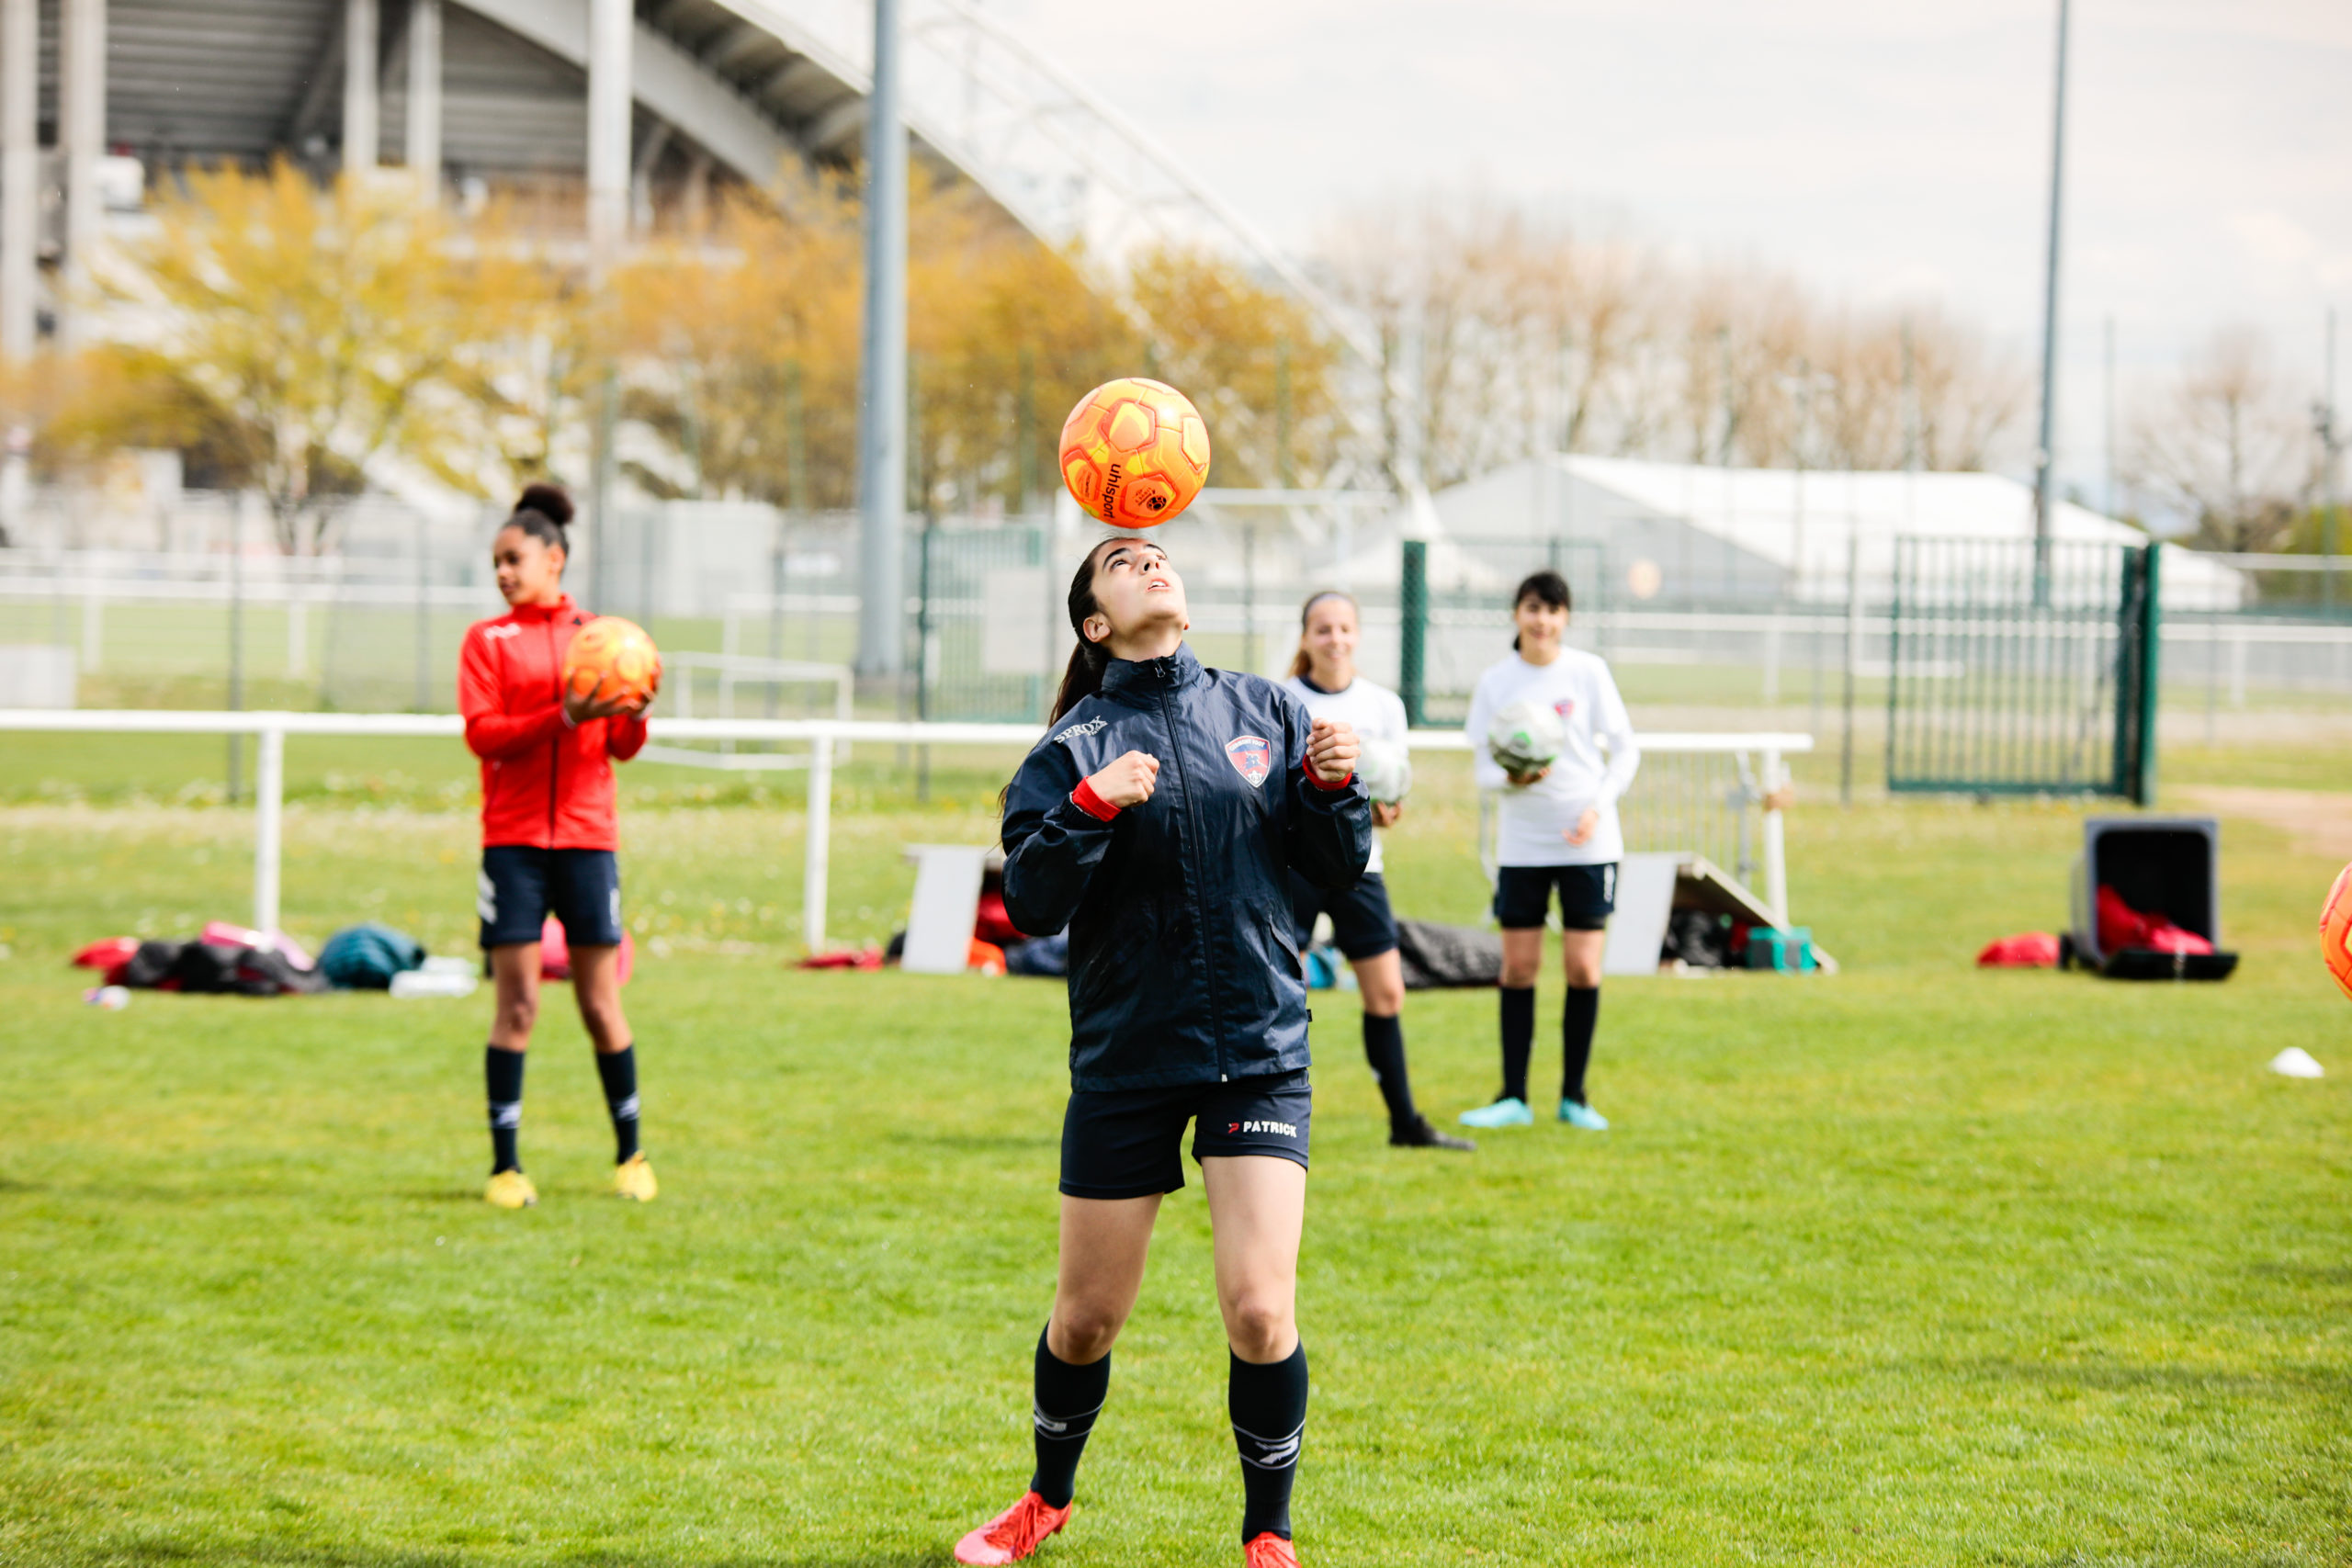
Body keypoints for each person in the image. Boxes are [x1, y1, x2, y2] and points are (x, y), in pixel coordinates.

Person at [956, 536, 1372, 1568]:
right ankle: (1045, 1500)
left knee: (1262, 1309)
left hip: (1259, 1048)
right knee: (1087, 1321)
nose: (1150, 566)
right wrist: (1090, 810)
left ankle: (1268, 1532)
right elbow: (1030, 902)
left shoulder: (1267, 712)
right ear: (1094, 623)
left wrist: (1331, 792)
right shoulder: (1070, 747)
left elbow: (1332, 868)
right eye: (1120, 563)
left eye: (1157, 555)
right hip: (1128, 1055)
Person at [457, 483, 659, 1209]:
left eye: (515, 559)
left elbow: (623, 747)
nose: (504, 572)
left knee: (600, 1002)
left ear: (555, 558)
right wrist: (564, 713)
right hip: (511, 843)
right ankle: (505, 1167)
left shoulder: (601, 638)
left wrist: (633, 711)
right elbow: (484, 735)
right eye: (497, 563)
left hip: (585, 840)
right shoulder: (487, 641)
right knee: (516, 1007)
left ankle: (631, 1155)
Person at [1281, 591, 1474, 1153]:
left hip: (1361, 865)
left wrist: (1386, 810)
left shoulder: (1384, 704)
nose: (1335, 638)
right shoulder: (1281, 700)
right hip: (1296, 865)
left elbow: (1393, 786)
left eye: (1344, 628)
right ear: (1305, 637)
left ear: (1358, 634)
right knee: (1276, 992)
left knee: (1387, 994)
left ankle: (1405, 1123)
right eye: (1323, 629)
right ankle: (1270, 1113)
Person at [1459, 570, 1639, 1133]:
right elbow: (1485, 767)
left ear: (1566, 619)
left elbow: (1625, 750)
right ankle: (1513, 1096)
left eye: (1554, 610)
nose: (1543, 620)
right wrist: (1512, 782)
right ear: (1517, 614)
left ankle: (1575, 1097)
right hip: (1524, 844)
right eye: (1533, 608)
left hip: (1588, 841)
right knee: (1519, 968)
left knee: (1583, 968)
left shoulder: (1588, 672)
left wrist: (1599, 806)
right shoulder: (1496, 682)